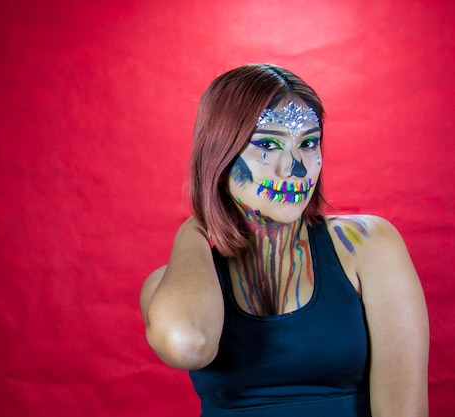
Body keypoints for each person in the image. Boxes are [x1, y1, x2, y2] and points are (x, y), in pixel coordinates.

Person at [140, 64, 429, 417]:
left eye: (308, 143)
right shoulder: (170, 287)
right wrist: (196, 226)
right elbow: (188, 345)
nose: (296, 168)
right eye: (268, 144)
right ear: (219, 155)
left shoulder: (368, 245)